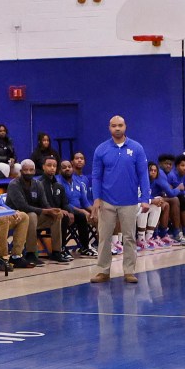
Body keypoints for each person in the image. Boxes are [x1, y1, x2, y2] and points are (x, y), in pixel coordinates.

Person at [90, 116, 150, 284]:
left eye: (120, 125)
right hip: (107, 200)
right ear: (109, 128)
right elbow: (96, 176)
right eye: (114, 126)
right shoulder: (101, 150)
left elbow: (143, 174)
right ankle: (103, 271)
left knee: (129, 237)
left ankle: (129, 271)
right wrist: (96, 198)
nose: (117, 128)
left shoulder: (136, 148)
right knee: (104, 237)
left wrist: (145, 198)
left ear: (126, 127)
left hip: (129, 200)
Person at [5, 159, 65, 266]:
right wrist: (45, 210)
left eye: (31, 170)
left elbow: (44, 203)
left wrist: (52, 211)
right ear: (21, 171)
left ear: (34, 171)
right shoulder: (14, 184)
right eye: (26, 170)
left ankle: (56, 251)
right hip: (16, 218)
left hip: (34, 218)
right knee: (31, 216)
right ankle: (31, 253)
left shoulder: (38, 184)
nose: (28, 172)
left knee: (56, 216)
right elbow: (22, 207)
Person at [41, 156, 96, 258]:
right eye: (49, 165)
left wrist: (70, 210)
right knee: (64, 216)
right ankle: (60, 248)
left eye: (54, 166)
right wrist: (61, 210)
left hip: (61, 211)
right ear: (43, 167)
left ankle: (85, 247)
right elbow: (44, 203)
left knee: (80, 216)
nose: (52, 168)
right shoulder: (41, 183)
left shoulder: (58, 185)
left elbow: (65, 203)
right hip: (46, 213)